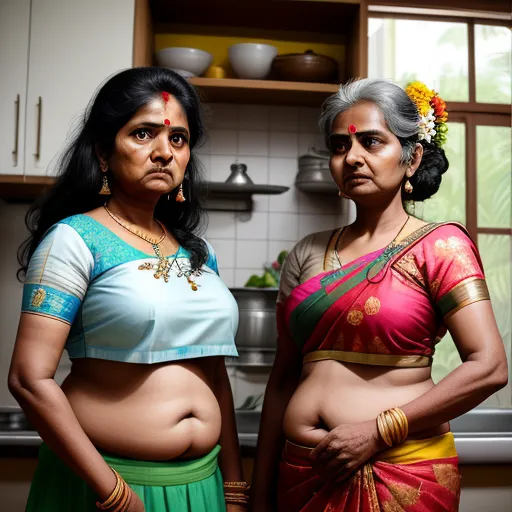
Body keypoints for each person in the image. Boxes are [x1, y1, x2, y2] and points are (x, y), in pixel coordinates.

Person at [250, 78, 508, 512]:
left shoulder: (439, 246)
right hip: (302, 474)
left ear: (412, 159)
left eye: (372, 142)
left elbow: (490, 368)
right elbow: (282, 380)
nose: (352, 158)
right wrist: (257, 496)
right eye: (339, 146)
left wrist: (378, 430)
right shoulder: (307, 253)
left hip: (401, 470)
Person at [8, 67, 249, 512]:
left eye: (178, 138)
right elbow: (28, 379)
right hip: (110, 487)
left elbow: (215, 376)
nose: (164, 152)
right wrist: (114, 493)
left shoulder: (199, 253)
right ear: (103, 152)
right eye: (143, 134)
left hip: (203, 484)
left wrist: (234, 488)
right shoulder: (74, 239)